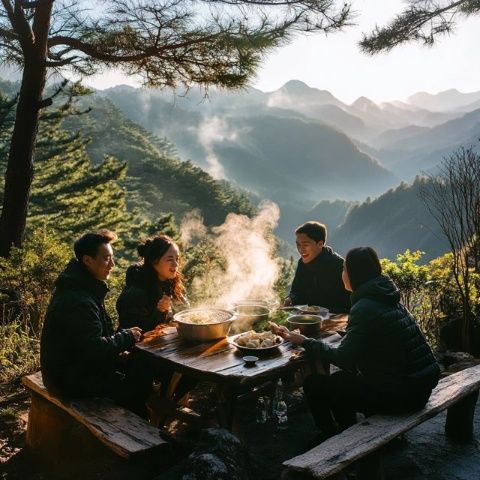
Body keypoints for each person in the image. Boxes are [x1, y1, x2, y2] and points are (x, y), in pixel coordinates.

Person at [272, 246, 440, 440]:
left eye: (344, 269)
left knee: (315, 385)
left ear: (354, 274)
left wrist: (304, 341)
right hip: (420, 387)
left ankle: (334, 438)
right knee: (343, 381)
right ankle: (349, 433)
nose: (342, 274)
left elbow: (344, 358)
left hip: (401, 396)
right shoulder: (387, 297)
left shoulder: (364, 306)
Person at [40, 230, 150, 416]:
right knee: (137, 388)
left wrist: (116, 352)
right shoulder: (77, 298)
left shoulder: (84, 286)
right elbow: (93, 348)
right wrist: (127, 336)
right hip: (68, 382)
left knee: (137, 371)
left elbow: (87, 341)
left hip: (71, 370)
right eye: (106, 259)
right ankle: (144, 441)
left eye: (112, 258)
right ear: (87, 260)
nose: (112, 264)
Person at [117, 235, 188, 332]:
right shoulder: (136, 292)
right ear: (154, 261)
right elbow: (135, 333)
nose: (175, 264)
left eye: (177, 259)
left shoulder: (171, 283)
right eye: (170, 259)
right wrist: (160, 312)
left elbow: (185, 313)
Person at [285, 221, 350, 313]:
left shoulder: (339, 266)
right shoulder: (302, 263)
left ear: (320, 244)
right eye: (298, 244)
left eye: (305, 245)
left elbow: (348, 304)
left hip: (335, 320)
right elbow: (297, 291)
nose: (300, 249)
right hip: (310, 318)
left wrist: (322, 311)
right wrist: (291, 299)